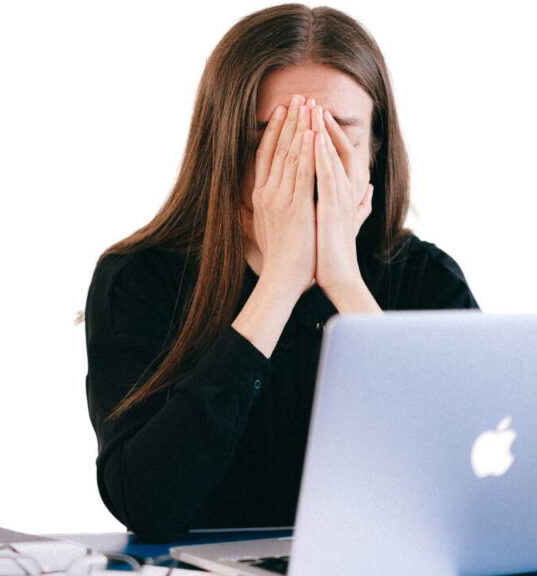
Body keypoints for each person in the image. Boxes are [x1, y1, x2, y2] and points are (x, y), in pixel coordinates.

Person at [83, 3, 478, 542]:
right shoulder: (138, 279)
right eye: (272, 139)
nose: (308, 163)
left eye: (337, 135)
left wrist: (343, 282)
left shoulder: (427, 278)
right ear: (224, 151)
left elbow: (464, 486)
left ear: (375, 152)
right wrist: (279, 285)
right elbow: (148, 504)